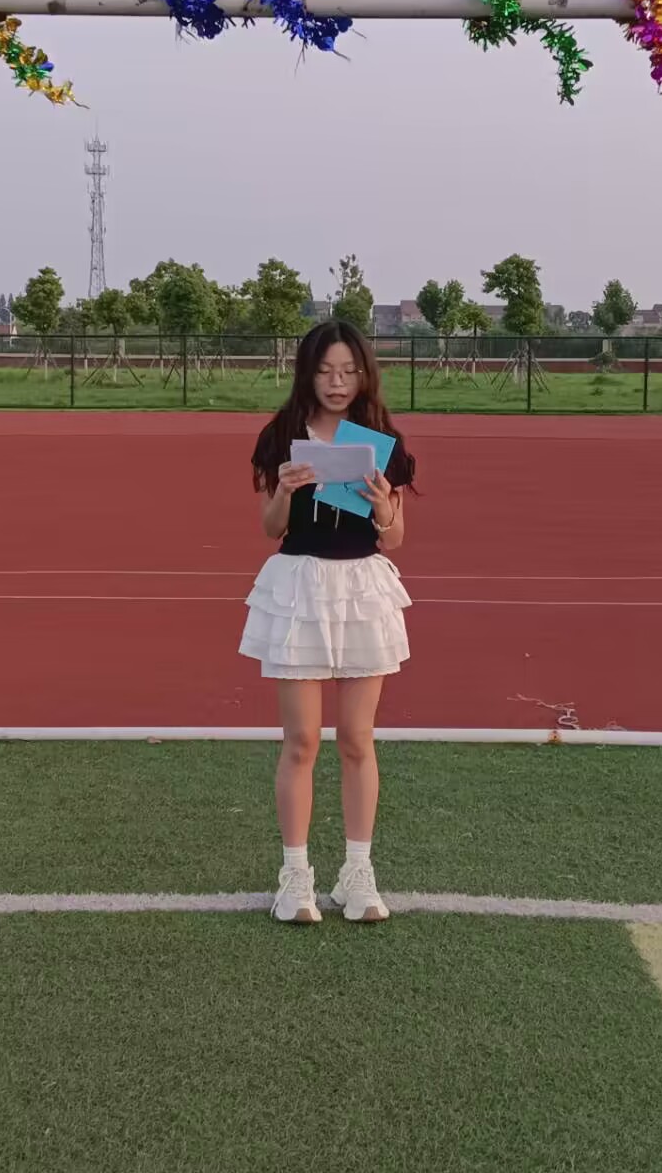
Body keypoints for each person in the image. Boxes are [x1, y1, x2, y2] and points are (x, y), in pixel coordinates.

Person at [240, 321, 416, 924]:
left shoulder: (382, 441)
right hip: (300, 587)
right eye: (324, 371)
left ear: (364, 374)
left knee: (358, 739)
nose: (337, 383)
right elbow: (271, 528)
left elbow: (394, 538)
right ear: (306, 373)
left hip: (362, 589)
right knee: (302, 741)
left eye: (348, 371)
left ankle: (357, 874)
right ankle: (295, 877)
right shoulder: (282, 435)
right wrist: (286, 491)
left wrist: (383, 504)